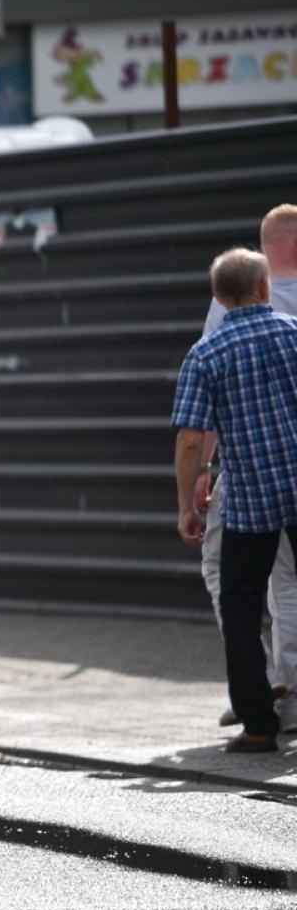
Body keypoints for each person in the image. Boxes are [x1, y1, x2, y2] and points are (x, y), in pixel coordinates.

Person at [173, 247, 297, 753]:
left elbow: (189, 438)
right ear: (264, 289)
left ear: (218, 299)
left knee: (241, 606)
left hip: (252, 498)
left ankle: (260, 724)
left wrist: (187, 501)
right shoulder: (295, 336)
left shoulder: (206, 354)